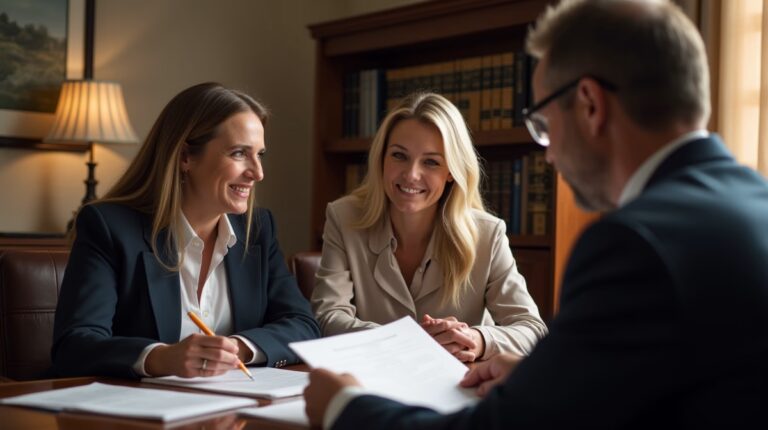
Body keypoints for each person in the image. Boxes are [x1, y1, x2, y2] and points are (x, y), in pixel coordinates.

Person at [303, 0, 768, 428]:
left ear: (589, 104)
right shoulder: (753, 203)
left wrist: (346, 408)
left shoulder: (635, 243)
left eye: (544, 123)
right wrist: (536, 376)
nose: (548, 157)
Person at [52, 82, 320, 379]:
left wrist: (236, 348)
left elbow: (302, 324)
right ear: (185, 157)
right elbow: (74, 347)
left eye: (260, 155)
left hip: (235, 410)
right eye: (239, 153)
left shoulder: (258, 229)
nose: (257, 173)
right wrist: (160, 358)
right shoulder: (109, 226)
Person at [311, 92, 547, 363]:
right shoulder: (343, 218)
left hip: (458, 386)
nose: (411, 174)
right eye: (399, 155)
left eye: (431, 162)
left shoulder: (488, 234)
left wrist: (478, 340)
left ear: (451, 171)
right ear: (381, 159)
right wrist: (408, 341)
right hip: (371, 381)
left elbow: (532, 329)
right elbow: (327, 317)